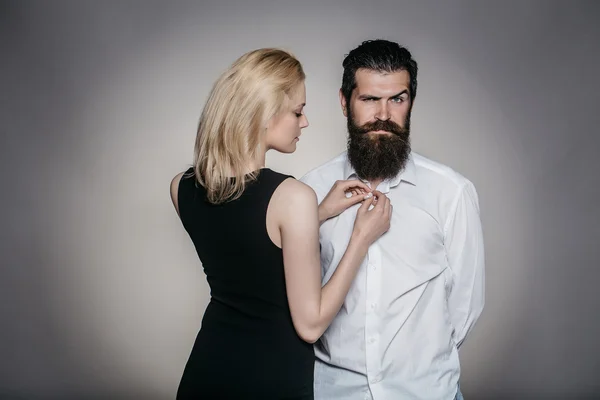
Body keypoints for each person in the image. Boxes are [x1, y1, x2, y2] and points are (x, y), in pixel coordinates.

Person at [170, 48, 392, 399]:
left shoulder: (180, 186)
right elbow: (311, 324)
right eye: (298, 111)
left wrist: (315, 214)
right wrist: (361, 240)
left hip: (206, 371)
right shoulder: (291, 196)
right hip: (271, 380)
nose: (305, 122)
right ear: (262, 113)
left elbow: (243, 243)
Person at [300, 39, 485, 400]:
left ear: (410, 102)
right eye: (369, 99)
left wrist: (419, 367)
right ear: (344, 102)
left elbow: (466, 306)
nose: (383, 114)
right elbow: (300, 297)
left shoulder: (452, 192)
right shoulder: (311, 189)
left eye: (397, 99)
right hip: (334, 393)